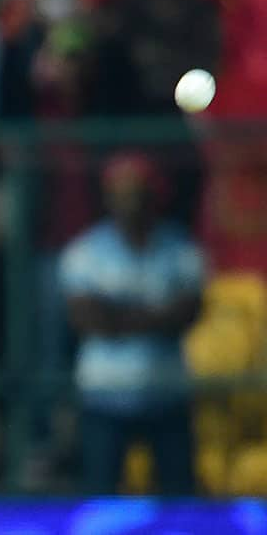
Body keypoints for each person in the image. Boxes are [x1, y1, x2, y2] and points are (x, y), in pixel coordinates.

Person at [59, 152, 202, 495]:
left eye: (138, 191)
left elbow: (187, 314)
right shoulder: (85, 251)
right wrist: (155, 314)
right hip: (104, 395)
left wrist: (118, 313)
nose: (131, 201)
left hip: (167, 393)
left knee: (179, 499)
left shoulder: (180, 248)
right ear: (107, 197)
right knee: (101, 500)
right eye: (121, 192)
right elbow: (90, 321)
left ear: (154, 194)